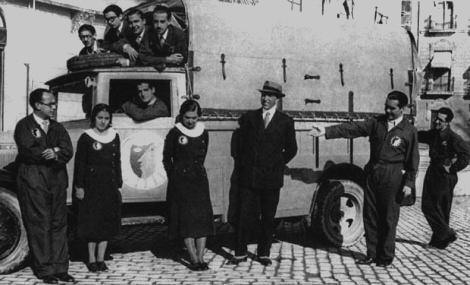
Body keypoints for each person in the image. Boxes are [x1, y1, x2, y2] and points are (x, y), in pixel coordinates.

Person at [309, 90, 419, 267]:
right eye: (386, 107)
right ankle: (371, 254)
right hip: (373, 173)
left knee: (388, 219)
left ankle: (385, 257)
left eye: (392, 108)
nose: (388, 111)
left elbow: (413, 160)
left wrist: (409, 183)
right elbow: (353, 129)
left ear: (403, 109)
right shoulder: (377, 123)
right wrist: (326, 131)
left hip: (392, 175)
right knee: (370, 216)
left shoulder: (409, 131)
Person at [230, 81, 297, 266]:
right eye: (263, 94)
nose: (265, 98)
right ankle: (240, 252)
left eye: (270, 95)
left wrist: (277, 164)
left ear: (277, 99)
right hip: (249, 177)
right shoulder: (249, 118)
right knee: (243, 216)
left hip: (271, 179)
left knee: (268, 217)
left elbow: (292, 149)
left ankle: (264, 253)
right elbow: (239, 146)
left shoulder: (285, 121)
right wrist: (246, 165)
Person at [14, 88, 74, 284]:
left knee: (58, 224)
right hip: (34, 180)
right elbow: (28, 150)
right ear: (38, 105)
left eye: (54, 103)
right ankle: (45, 269)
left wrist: (55, 152)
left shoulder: (58, 127)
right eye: (50, 104)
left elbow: (67, 149)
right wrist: (49, 152)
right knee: (40, 224)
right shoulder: (24, 126)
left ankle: (60, 268)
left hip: (56, 181)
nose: (54, 107)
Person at [163, 100, 213, 271]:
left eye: (194, 117)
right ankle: (193, 259)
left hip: (199, 180)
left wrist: (196, 171)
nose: (190, 121)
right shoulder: (175, 133)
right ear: (182, 116)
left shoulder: (203, 132)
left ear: (199, 117)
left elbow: (203, 155)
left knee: (201, 220)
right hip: (181, 182)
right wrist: (175, 175)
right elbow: (166, 158)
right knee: (186, 221)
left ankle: (201, 257)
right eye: (187, 117)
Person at [73, 104, 122, 272]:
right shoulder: (86, 137)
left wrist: (119, 183)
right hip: (91, 186)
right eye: (100, 118)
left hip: (109, 185)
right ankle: (91, 259)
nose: (103, 121)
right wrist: (79, 186)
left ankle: (101, 258)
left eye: (106, 118)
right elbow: (80, 164)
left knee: (105, 223)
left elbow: (117, 162)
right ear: (94, 118)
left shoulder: (114, 136)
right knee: (92, 223)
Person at [418, 107, 470, 249]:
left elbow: (466, 155)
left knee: (441, 209)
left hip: (445, 176)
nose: (436, 122)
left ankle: (441, 240)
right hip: (433, 171)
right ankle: (445, 235)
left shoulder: (453, 138)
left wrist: (452, 168)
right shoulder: (433, 134)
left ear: (447, 123)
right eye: (436, 118)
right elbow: (420, 135)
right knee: (427, 206)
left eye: (440, 120)